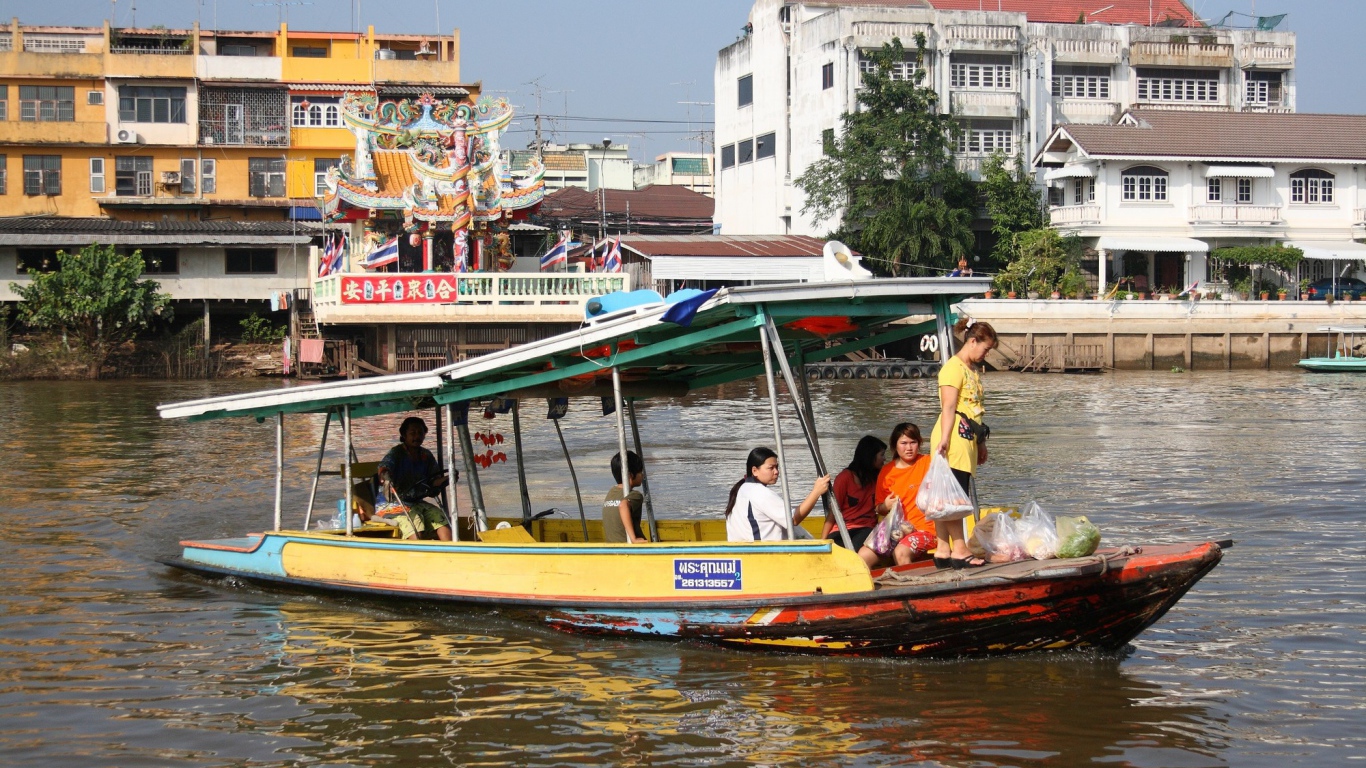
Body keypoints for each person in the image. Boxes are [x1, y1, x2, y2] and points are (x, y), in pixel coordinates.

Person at [929, 317, 998, 568]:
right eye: (985, 348)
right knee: (953, 494)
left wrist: (981, 443)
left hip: (967, 435)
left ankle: (943, 549)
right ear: (972, 341)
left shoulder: (971, 370)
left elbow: (974, 411)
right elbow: (948, 407)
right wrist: (945, 439)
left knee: (945, 493)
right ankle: (959, 549)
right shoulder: (953, 368)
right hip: (954, 436)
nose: (986, 354)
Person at [857, 423, 937, 568]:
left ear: (919, 443)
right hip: (896, 531)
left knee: (901, 552)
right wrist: (885, 506)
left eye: (913, 442)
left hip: (926, 530)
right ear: (895, 446)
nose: (909, 448)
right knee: (862, 557)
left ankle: (911, 587)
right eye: (904, 443)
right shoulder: (887, 472)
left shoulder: (928, 462)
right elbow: (879, 509)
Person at [724, 447, 831, 542]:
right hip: (765, 554)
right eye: (771, 468)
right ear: (755, 471)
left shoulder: (742, 489)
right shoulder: (759, 492)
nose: (776, 472)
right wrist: (816, 492)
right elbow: (793, 519)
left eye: (777, 467)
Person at [375, 416, 452, 541]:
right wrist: (385, 475)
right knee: (415, 520)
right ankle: (418, 554)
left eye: (420, 433)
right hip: (392, 504)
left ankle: (451, 551)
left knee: (439, 516)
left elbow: (434, 480)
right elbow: (384, 467)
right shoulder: (396, 453)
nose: (417, 436)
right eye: (413, 433)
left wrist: (449, 479)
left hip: (416, 502)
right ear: (404, 435)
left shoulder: (426, 455)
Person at [824, 436, 885, 553]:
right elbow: (834, 512)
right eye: (881, 455)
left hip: (867, 527)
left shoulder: (880, 477)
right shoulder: (845, 478)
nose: (884, 459)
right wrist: (822, 540)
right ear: (871, 456)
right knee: (833, 552)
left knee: (852, 552)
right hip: (843, 528)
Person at [603, 451, 647, 544]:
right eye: (640, 472)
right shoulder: (635, 495)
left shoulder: (611, 493)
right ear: (630, 475)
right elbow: (623, 505)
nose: (642, 475)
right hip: (629, 548)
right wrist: (633, 539)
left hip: (612, 548)